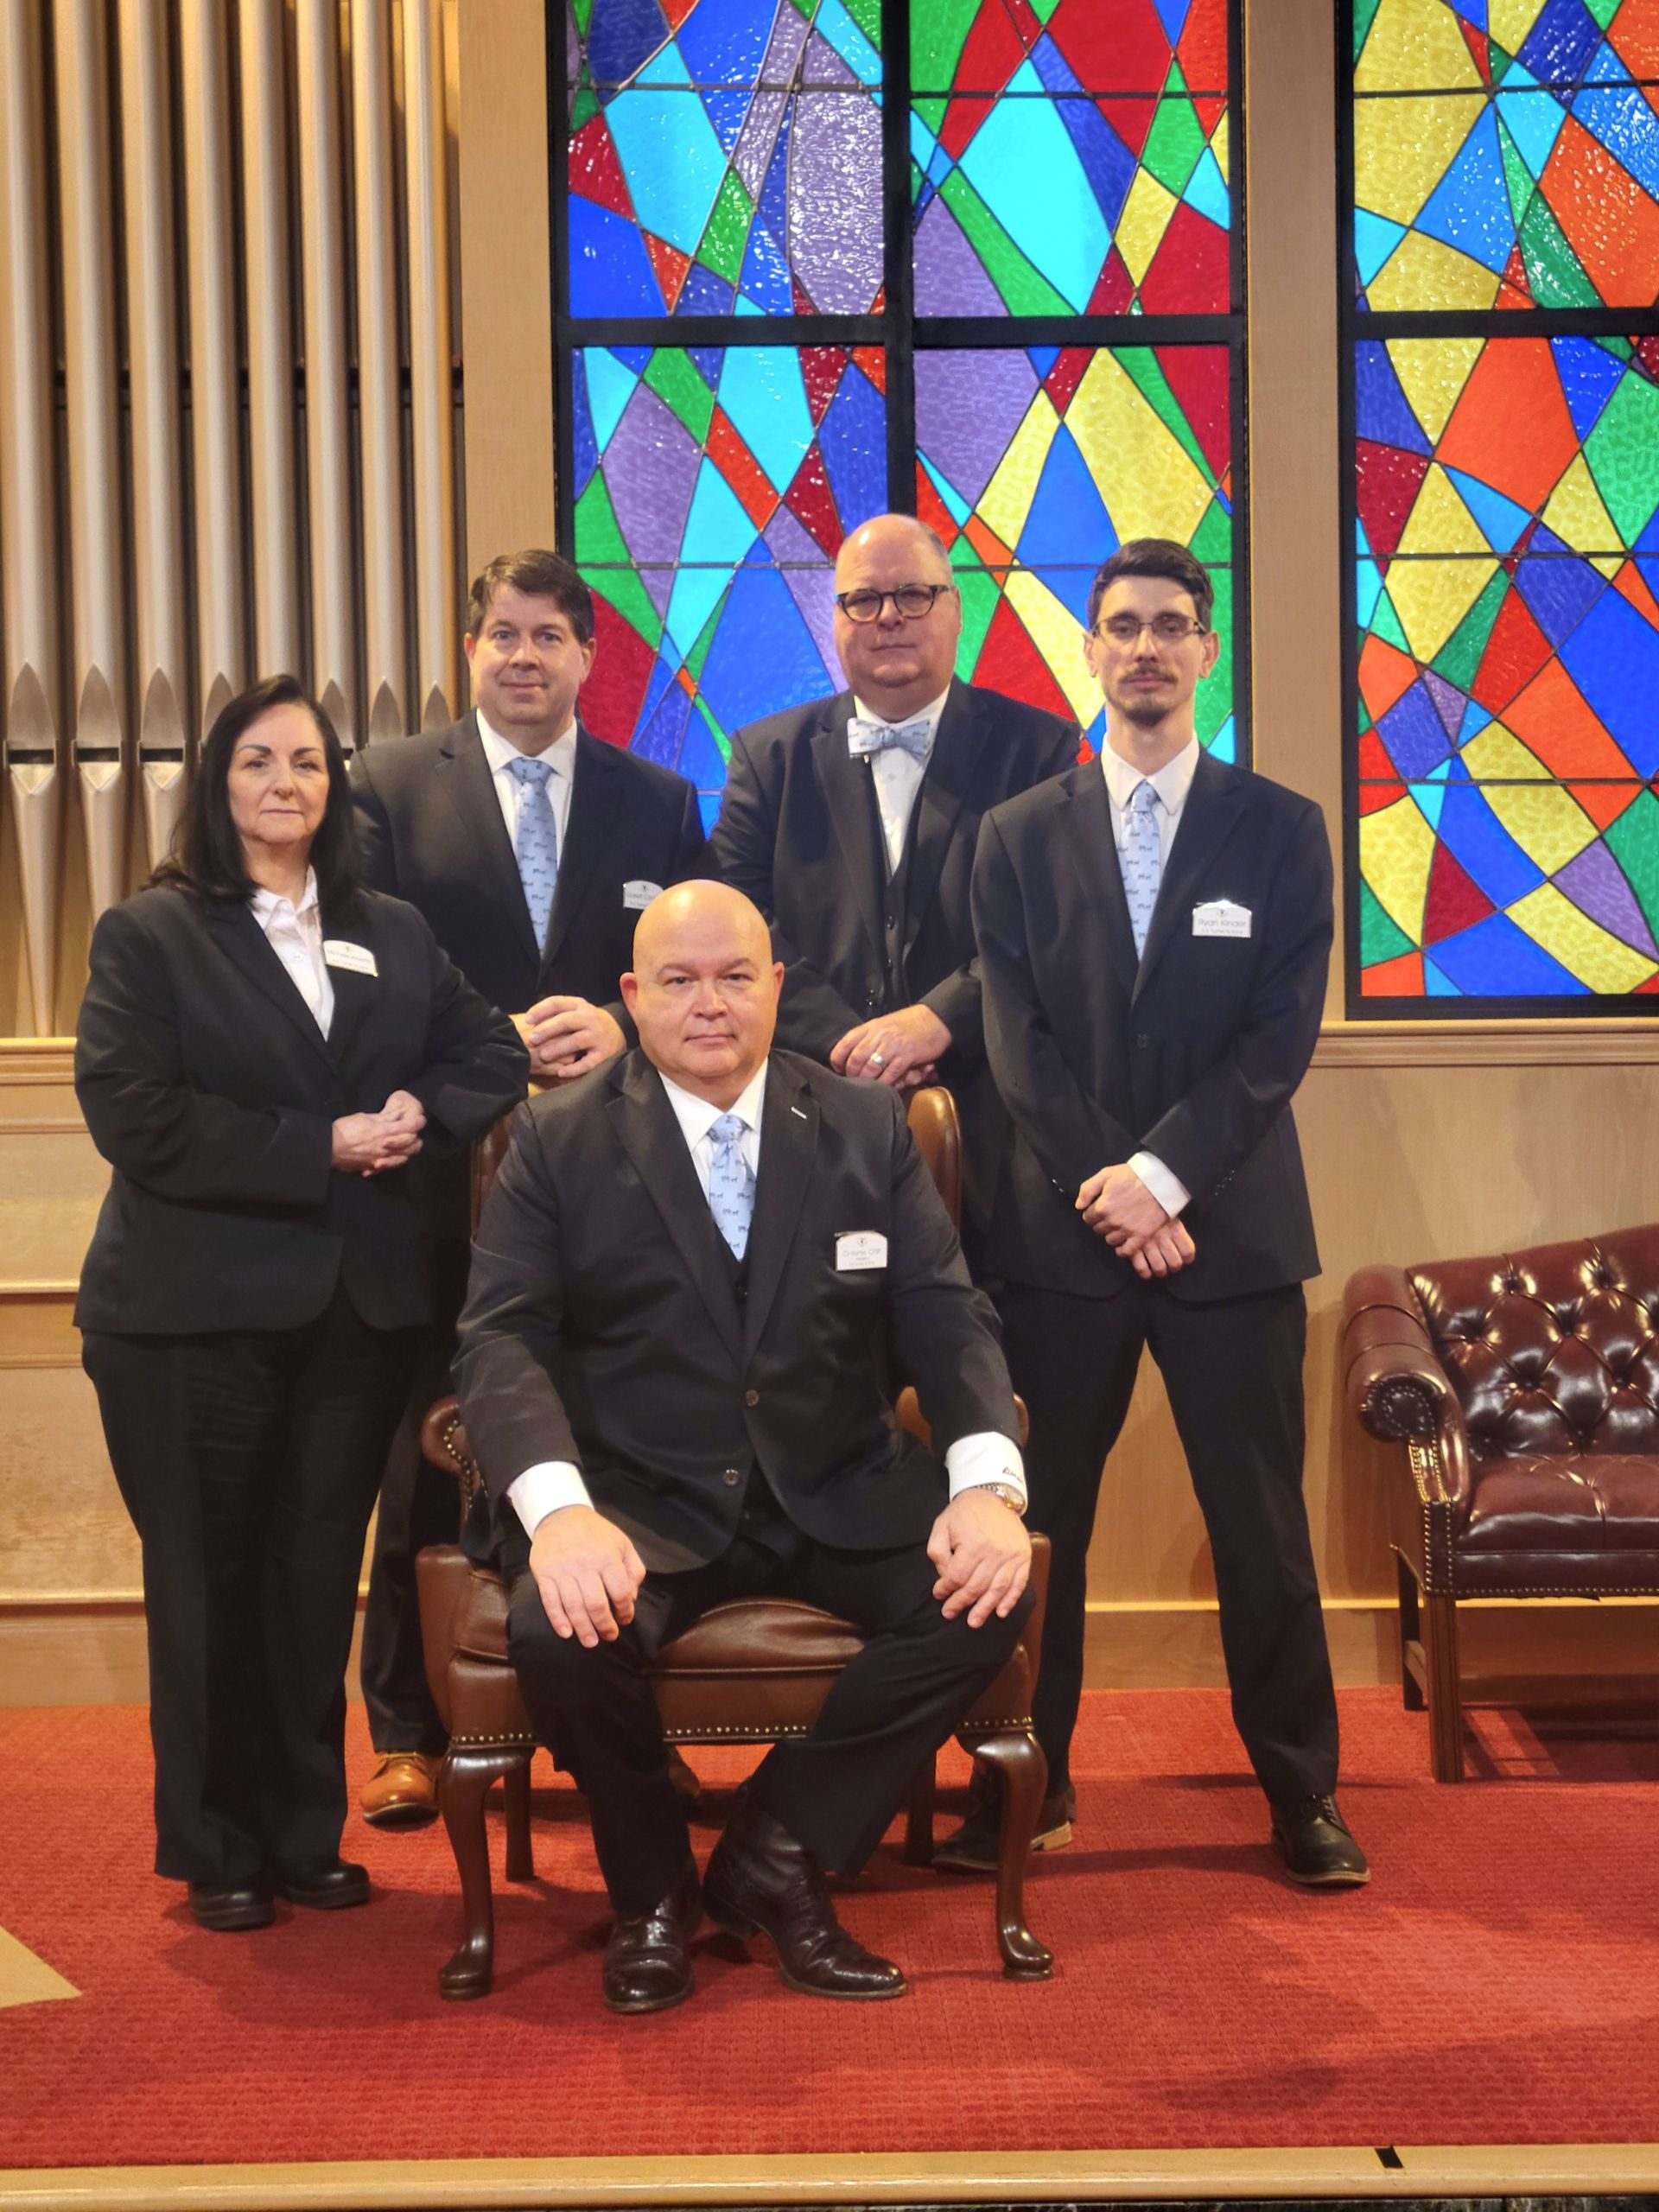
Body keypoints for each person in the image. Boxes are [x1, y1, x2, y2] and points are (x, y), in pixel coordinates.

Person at [453, 880, 1034, 2012]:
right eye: (679, 980)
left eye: (734, 977)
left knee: (989, 1594)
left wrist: (984, 1486)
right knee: (555, 1632)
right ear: (633, 996)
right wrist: (560, 1513)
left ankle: (776, 1848)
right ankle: (652, 1891)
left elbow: (946, 1315)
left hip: (838, 1486)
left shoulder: (867, 1126)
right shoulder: (555, 1137)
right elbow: (500, 1339)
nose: (709, 1003)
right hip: (638, 1499)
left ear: (776, 986)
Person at [74, 676, 528, 1933]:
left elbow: (490, 1051)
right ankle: (217, 1844)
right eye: (260, 761)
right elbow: (135, 1114)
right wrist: (316, 1146)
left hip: (354, 1314)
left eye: (310, 763)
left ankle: (301, 1834)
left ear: (335, 788)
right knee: (207, 1586)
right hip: (187, 1318)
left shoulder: (391, 928)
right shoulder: (151, 933)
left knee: (314, 1579)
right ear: (218, 785)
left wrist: (420, 1111)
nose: (288, 782)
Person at [950, 539, 1367, 1889]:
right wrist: (1113, 1190)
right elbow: (1014, 1040)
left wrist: (1166, 1181)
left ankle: (1303, 1795)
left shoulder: (1282, 828)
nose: (1145, 647)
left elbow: (1277, 1035)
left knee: (1263, 1533)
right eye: (1122, 625)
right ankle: (1025, 1784)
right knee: (1040, 1534)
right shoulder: (1016, 835)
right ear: (1090, 650)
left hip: (1228, 1237)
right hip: (1061, 1242)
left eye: (1171, 625)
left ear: (1206, 651)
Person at [347, 550, 714, 1826]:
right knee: (427, 1444)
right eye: (502, 633)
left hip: (617, 1181)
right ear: (471, 649)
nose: (523, 655)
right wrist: (493, 1039)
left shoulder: (659, 801)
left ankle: (620, 1727)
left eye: (549, 635)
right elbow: (360, 971)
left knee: (616, 1439)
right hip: (436, 1176)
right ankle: (410, 1725)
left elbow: (694, 965)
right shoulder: (390, 784)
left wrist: (626, 1023)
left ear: (586, 659)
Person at [712, 513, 1077, 1255]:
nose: (888, 618)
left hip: (993, 1128)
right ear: (835, 617)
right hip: (806, 1118)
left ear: (955, 608)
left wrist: (938, 1018)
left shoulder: (1040, 750)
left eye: (913, 595)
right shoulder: (765, 755)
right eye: (863, 599)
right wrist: (851, 1044)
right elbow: (738, 927)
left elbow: (1052, 927)